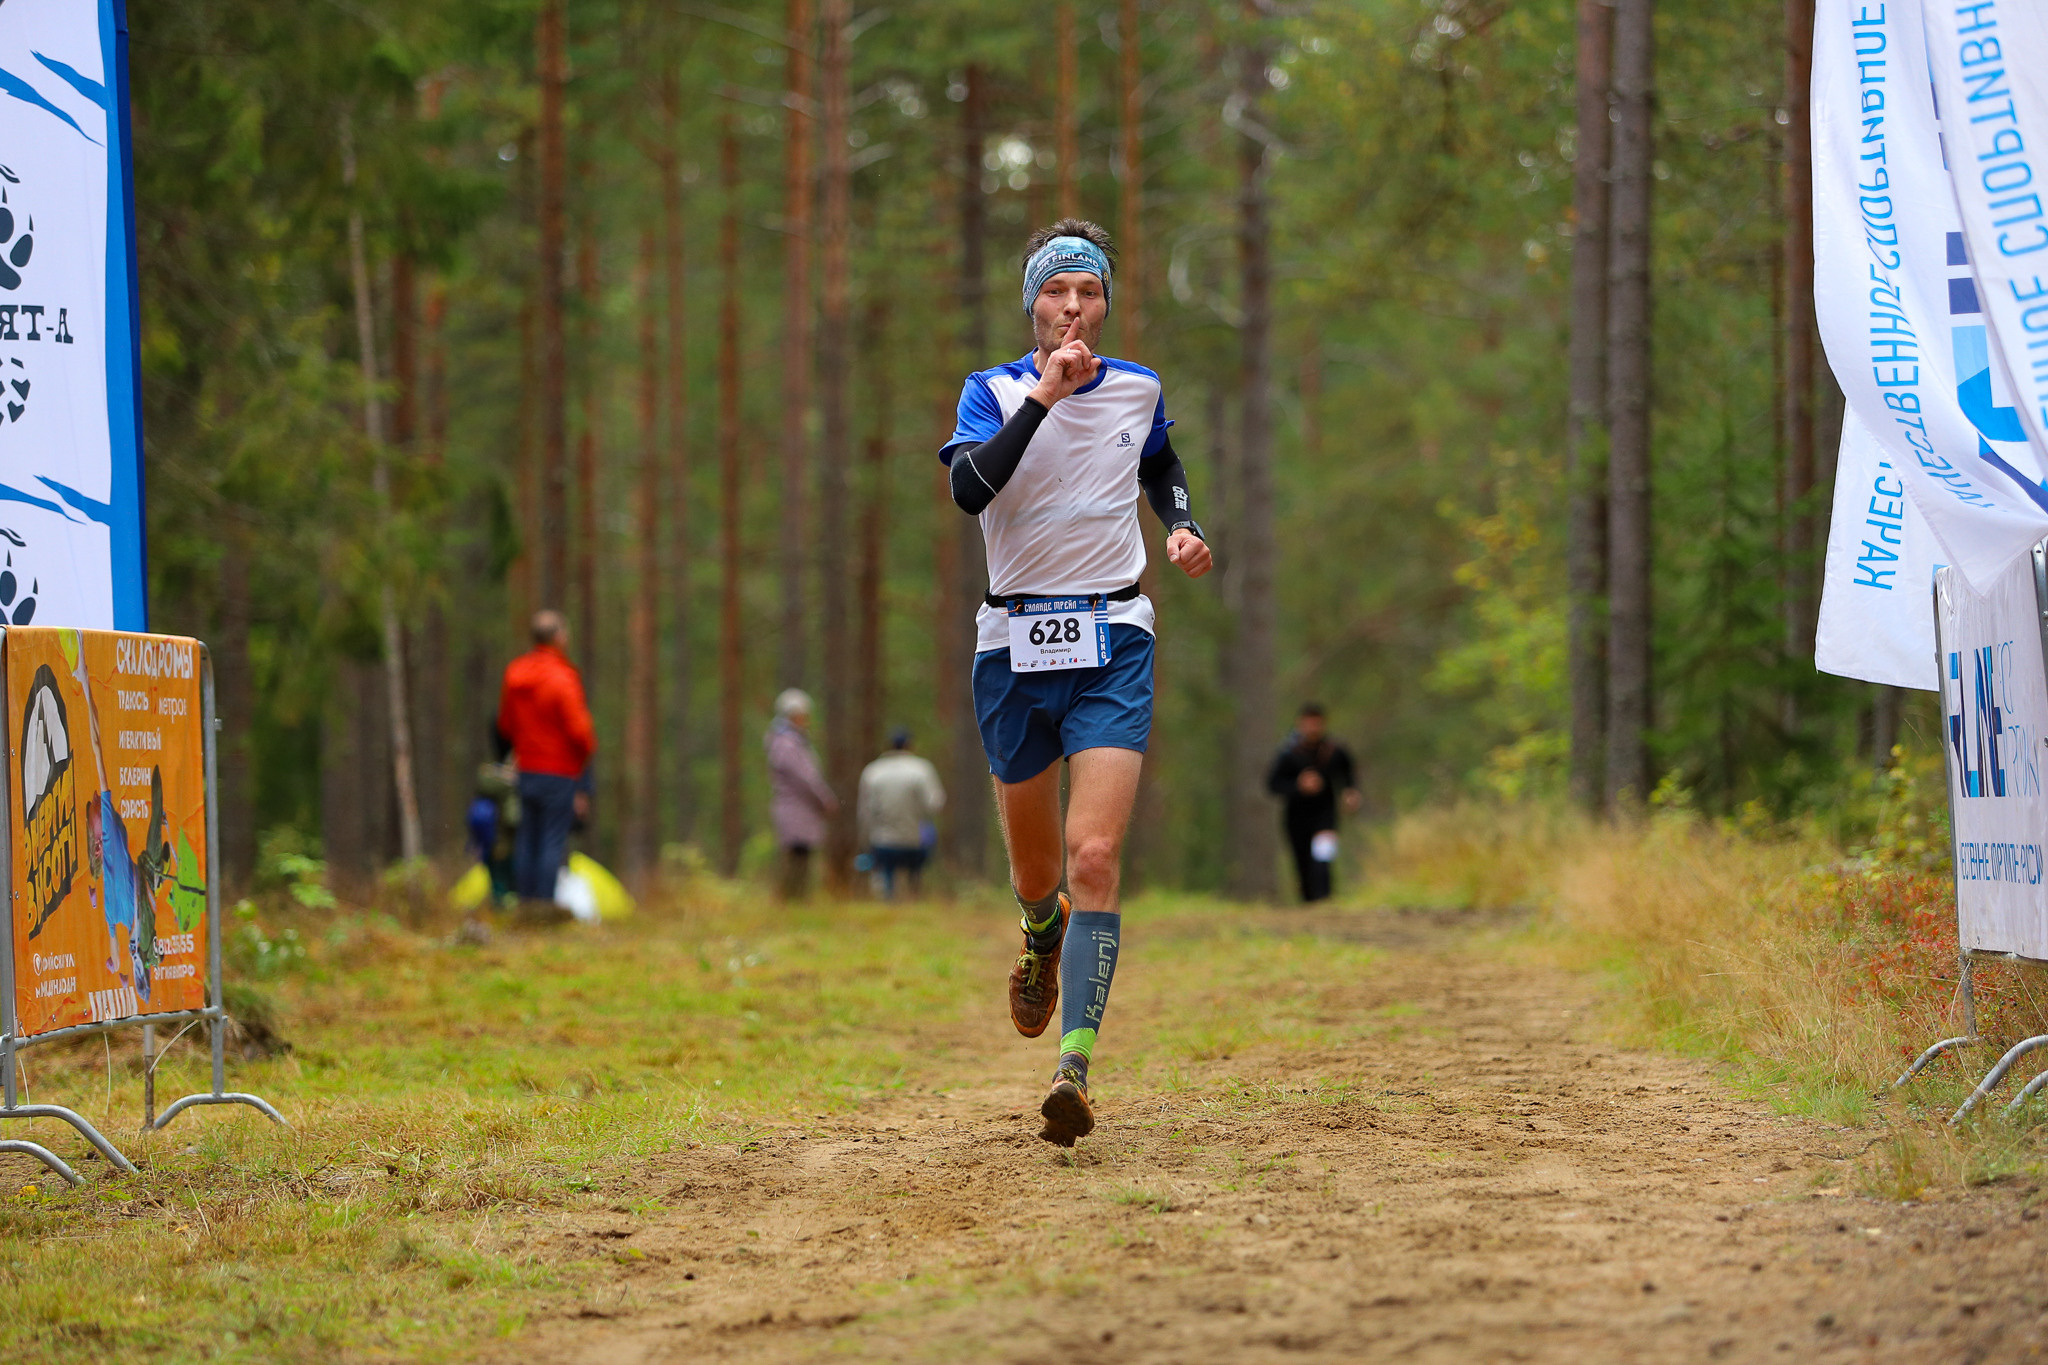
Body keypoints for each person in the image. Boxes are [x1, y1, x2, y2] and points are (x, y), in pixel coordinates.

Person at [941, 218, 1212, 1146]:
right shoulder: (992, 391)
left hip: (1112, 631)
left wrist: (1178, 522)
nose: (1072, 308)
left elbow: (1160, 459)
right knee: (1036, 872)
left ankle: (1075, 1066)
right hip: (1012, 641)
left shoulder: (1138, 388)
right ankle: (1041, 931)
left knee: (1094, 854)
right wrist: (1045, 401)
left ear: (1104, 303)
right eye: (1056, 293)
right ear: (1033, 305)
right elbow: (971, 490)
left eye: (1088, 293)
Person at [496, 610, 596, 913]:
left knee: (527, 836)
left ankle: (524, 905)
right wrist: (583, 767)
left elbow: (505, 725)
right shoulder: (562, 678)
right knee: (553, 839)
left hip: (527, 769)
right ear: (558, 637)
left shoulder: (515, 674)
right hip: (559, 771)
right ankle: (543, 907)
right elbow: (581, 733)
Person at [1266, 703, 1362, 904]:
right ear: (1300, 724)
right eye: (1308, 723)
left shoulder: (1334, 751)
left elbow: (1348, 775)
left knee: (1323, 859)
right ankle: (1308, 904)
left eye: (1316, 724)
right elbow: (1273, 785)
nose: (1312, 728)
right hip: (1296, 817)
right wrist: (1298, 786)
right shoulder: (1288, 753)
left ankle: (1325, 900)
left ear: (1323, 724)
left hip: (1325, 816)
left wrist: (1351, 793)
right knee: (1302, 862)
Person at [766, 688, 837, 900]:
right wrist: (824, 798)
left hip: (800, 808)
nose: (806, 719)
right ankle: (790, 901)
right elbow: (805, 777)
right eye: (803, 715)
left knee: (802, 855)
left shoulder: (790, 741)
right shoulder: (787, 743)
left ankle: (795, 901)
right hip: (795, 808)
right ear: (792, 715)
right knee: (796, 856)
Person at [858, 731, 946, 900]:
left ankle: (889, 904)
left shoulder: (873, 771)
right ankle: (914, 901)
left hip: (883, 841)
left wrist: (865, 841)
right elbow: (935, 804)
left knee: (887, 882)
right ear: (911, 746)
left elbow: (864, 812)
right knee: (915, 878)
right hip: (915, 841)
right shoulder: (922, 769)